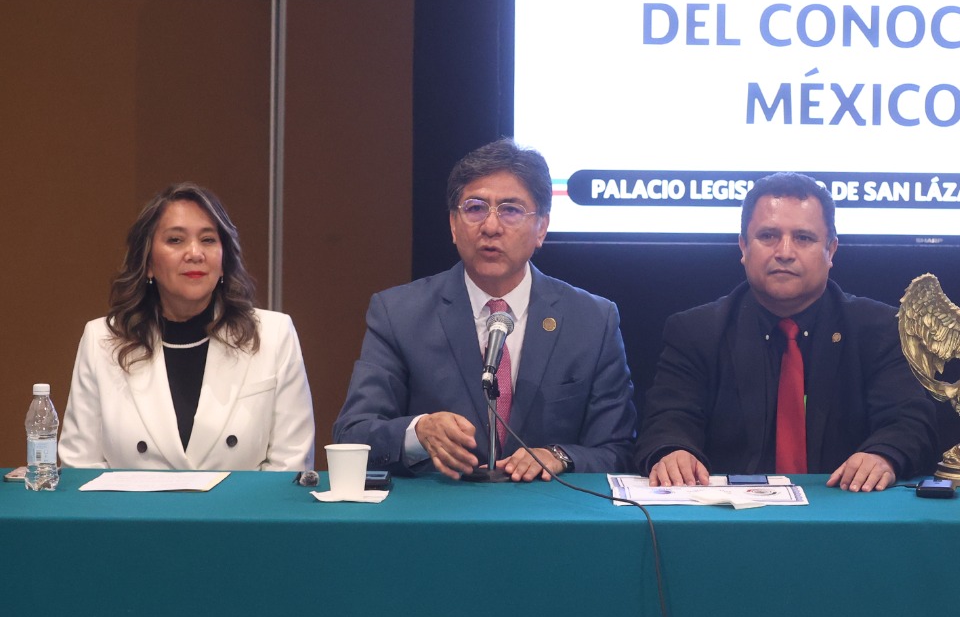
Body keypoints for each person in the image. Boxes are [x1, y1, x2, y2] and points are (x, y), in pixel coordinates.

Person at [332, 139, 634, 479]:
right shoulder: (399, 314)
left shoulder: (592, 320)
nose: (491, 227)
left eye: (511, 210)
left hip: (547, 508)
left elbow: (618, 452)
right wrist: (418, 433)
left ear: (541, 227)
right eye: (475, 208)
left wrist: (560, 456)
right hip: (439, 508)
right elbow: (352, 435)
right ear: (453, 224)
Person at [636, 172, 938, 492]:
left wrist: (883, 455)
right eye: (768, 236)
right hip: (729, 513)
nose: (784, 252)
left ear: (831, 251)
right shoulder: (696, 331)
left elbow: (910, 423)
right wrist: (673, 451)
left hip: (843, 507)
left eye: (803, 238)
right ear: (743, 247)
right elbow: (667, 421)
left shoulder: (878, 329)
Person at [59, 183, 314, 471]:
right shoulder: (102, 340)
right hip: (134, 503)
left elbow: (290, 466)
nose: (195, 253)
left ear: (224, 260)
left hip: (244, 502)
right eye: (176, 240)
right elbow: (80, 468)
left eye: (208, 240)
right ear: (148, 262)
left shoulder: (273, 335)